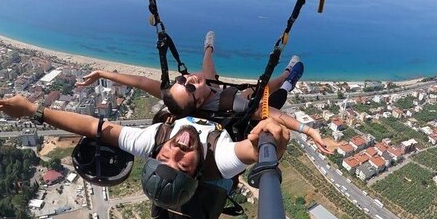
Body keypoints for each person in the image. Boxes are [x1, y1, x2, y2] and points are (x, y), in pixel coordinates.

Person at [0, 94, 291, 219]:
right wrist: (272, 140)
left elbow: (92, 127)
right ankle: (290, 78)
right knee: (267, 99)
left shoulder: (151, 140)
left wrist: (33, 110)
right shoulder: (221, 161)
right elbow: (258, 151)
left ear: (154, 156)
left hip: (197, 127)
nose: (177, 149)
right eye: (182, 164)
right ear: (197, 172)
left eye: (165, 156)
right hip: (219, 150)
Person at [76, 31, 332, 154]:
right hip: (234, 103)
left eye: (181, 79)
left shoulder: (183, 95)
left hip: (217, 91)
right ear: (197, 101)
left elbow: (141, 82)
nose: (187, 78)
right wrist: (308, 130)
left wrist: (103, 74)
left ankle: (208, 48)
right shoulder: (231, 105)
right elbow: (271, 114)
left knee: (207, 68)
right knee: (266, 90)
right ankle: (289, 76)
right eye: (189, 87)